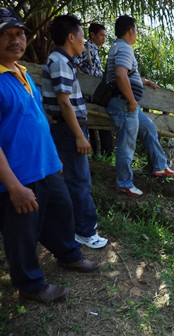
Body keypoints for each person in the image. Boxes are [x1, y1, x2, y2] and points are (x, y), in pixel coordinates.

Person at [0, 7, 100, 303]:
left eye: (19, 34)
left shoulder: (22, 73)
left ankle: (68, 254)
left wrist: (54, 161)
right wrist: (15, 187)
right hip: (19, 176)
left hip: (46, 166)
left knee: (61, 211)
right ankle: (30, 286)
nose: (15, 40)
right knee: (23, 233)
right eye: (5, 34)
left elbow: (37, 120)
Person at [42, 15, 108, 249]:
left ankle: (74, 227)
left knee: (76, 179)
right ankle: (84, 231)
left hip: (71, 126)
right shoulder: (59, 61)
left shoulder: (65, 61)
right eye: (81, 36)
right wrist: (79, 135)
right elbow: (64, 102)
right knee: (79, 181)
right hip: (69, 127)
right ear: (71, 37)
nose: (84, 41)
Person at [105, 15, 174, 198]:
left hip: (126, 104)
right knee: (126, 145)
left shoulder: (118, 47)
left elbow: (128, 74)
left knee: (149, 127)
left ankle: (159, 166)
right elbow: (120, 75)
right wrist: (132, 101)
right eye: (135, 30)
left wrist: (145, 81)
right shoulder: (125, 49)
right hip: (125, 104)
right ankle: (124, 184)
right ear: (130, 31)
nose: (136, 34)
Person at [74, 23, 113, 157]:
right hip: (88, 94)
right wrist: (83, 81)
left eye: (105, 36)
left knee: (95, 125)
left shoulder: (94, 49)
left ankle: (100, 155)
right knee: (94, 124)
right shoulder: (86, 47)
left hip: (94, 94)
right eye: (101, 35)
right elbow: (74, 63)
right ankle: (102, 155)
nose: (104, 38)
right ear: (92, 35)